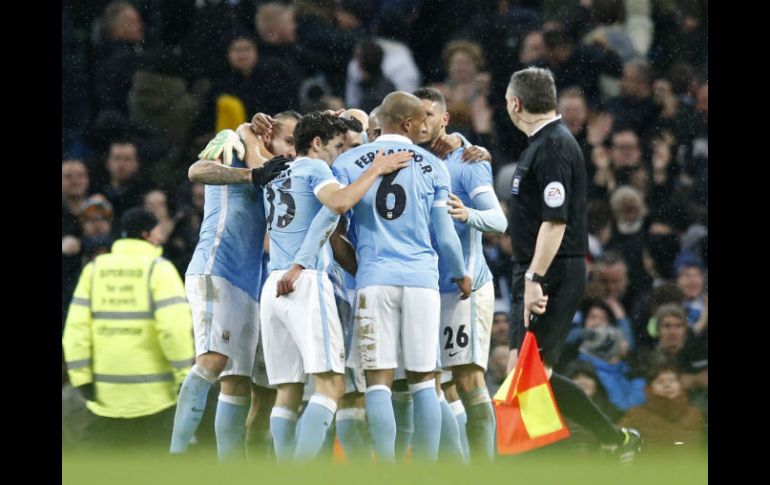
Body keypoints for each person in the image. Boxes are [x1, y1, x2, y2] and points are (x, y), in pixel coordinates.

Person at [504, 67, 641, 461]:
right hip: (538, 269)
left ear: (516, 103)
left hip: (551, 269)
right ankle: (610, 442)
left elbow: (555, 220)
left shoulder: (553, 146)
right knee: (524, 373)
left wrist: (533, 278)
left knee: (534, 376)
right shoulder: (542, 143)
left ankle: (602, 445)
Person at [260, 111, 411, 462]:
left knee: (287, 391)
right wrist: (376, 169)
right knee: (332, 385)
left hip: (273, 284)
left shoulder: (277, 173)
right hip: (305, 282)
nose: (338, 154)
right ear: (316, 144)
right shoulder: (315, 168)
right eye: (336, 146)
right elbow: (340, 202)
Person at [334, 91, 471, 462]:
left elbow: (335, 228)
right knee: (424, 380)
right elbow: (444, 236)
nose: (426, 128)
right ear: (409, 124)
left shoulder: (348, 162)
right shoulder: (434, 165)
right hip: (422, 281)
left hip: (374, 278)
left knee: (377, 380)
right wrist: (460, 274)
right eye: (422, 123)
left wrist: (358, 268)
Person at [169, 112, 298, 461]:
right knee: (212, 359)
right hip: (218, 269)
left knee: (239, 382)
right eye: (288, 142)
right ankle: (175, 458)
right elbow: (198, 170)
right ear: (269, 134)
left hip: (254, 284)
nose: (292, 152)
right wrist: (250, 173)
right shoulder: (235, 140)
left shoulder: (288, 172)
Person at [414, 86, 507, 461]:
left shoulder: (467, 161)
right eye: (415, 116)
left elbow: (499, 221)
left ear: (444, 119)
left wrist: (467, 214)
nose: (421, 123)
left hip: (464, 287)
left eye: (429, 116)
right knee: (437, 385)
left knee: (468, 382)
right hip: (423, 287)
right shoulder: (404, 158)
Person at [62, 208, 194, 450]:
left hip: (103, 397)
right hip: (154, 398)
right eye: (157, 231)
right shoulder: (159, 269)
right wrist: (184, 376)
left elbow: (75, 330)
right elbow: (173, 330)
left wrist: (81, 377)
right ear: (146, 234)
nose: (160, 237)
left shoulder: (94, 270)